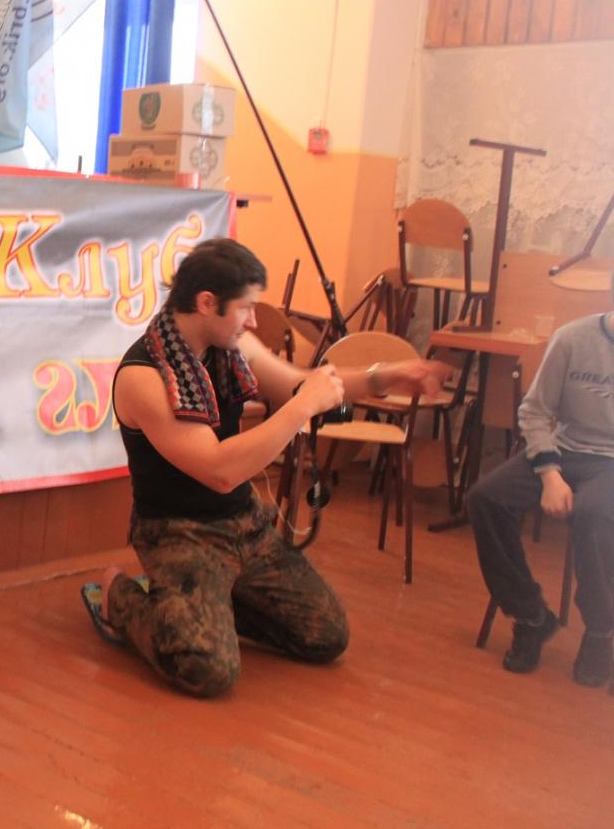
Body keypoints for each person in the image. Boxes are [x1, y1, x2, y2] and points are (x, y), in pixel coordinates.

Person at [79, 239, 449, 698]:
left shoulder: (231, 344)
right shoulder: (144, 376)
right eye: (246, 307)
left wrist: (386, 376)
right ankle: (119, 595)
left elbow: (300, 384)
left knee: (326, 636)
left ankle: (203, 604)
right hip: (179, 531)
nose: (254, 320)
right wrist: (303, 408)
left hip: (244, 523)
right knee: (208, 669)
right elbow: (219, 471)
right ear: (207, 303)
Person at [469, 283, 614, 691]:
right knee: (485, 498)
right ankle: (531, 615)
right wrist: (550, 474)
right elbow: (534, 411)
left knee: (594, 515)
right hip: (564, 448)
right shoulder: (573, 338)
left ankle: (600, 631)